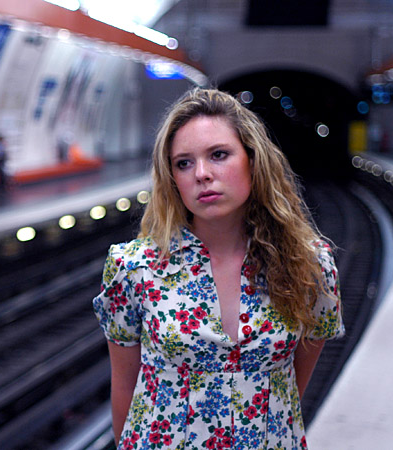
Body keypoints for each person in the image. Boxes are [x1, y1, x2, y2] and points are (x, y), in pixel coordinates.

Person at [93, 88, 344, 450]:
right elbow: (124, 389)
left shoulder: (310, 265)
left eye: (219, 155)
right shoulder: (134, 268)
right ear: (172, 179)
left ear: (253, 161)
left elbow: (291, 386)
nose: (202, 174)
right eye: (184, 163)